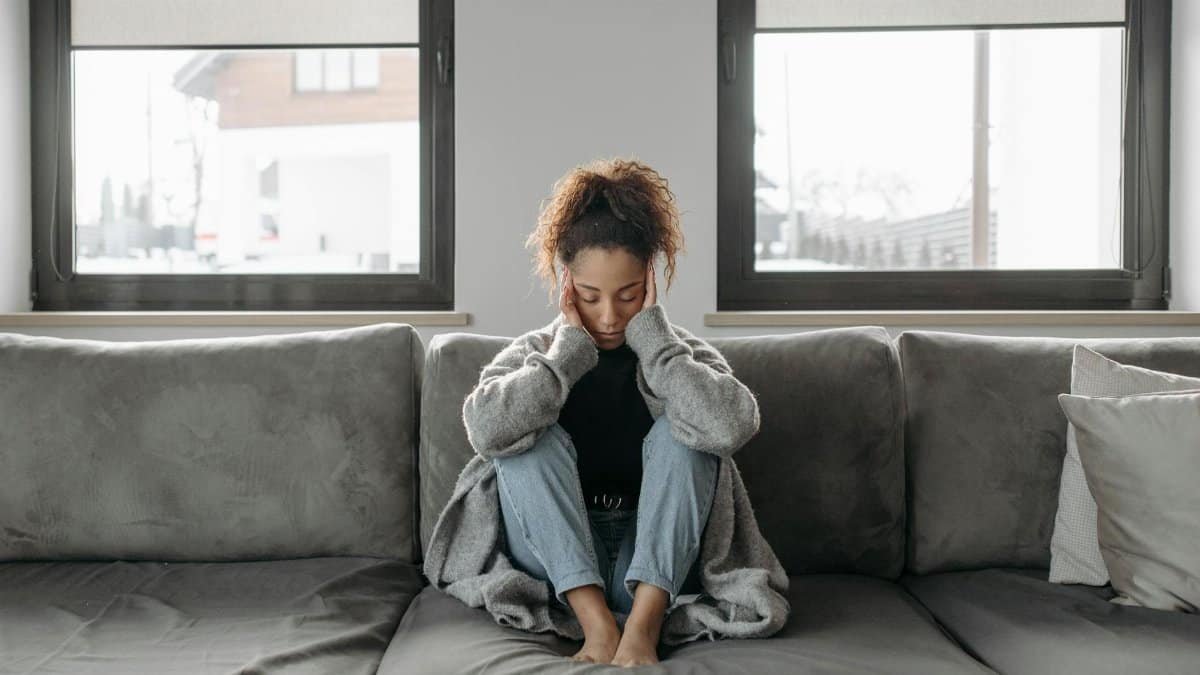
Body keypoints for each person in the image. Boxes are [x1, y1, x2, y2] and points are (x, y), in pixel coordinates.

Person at [423, 158, 789, 667]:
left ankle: (642, 628)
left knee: (686, 435)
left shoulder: (678, 356)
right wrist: (563, 361)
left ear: (651, 283)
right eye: (591, 297)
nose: (610, 316)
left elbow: (731, 426)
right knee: (527, 443)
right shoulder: (538, 353)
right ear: (565, 282)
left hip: (657, 560)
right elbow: (485, 431)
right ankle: (596, 626)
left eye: (629, 295)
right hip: (559, 562)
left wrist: (658, 346)